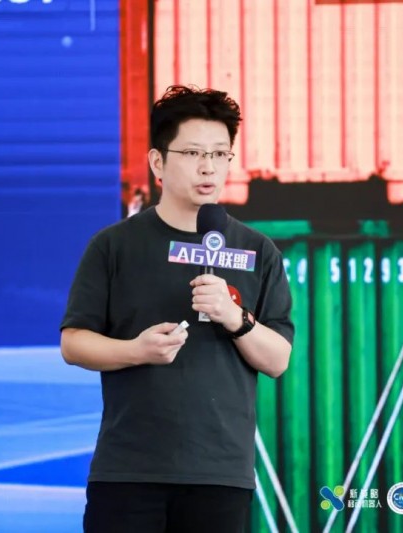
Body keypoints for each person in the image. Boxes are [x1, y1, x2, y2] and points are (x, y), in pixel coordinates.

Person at [60, 85, 294, 533]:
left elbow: (278, 359)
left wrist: (236, 318)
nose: (209, 167)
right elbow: (74, 343)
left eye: (220, 154)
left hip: (219, 474)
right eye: (192, 153)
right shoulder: (114, 246)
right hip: (128, 472)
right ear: (157, 162)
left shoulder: (257, 251)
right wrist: (136, 351)